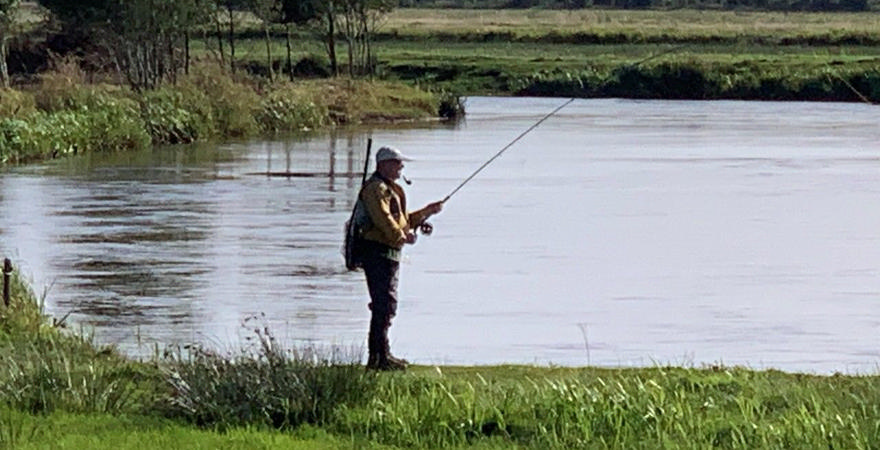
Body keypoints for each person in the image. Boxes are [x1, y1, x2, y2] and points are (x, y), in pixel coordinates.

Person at [358, 145, 444, 371]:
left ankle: (382, 355)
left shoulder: (388, 188)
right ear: (384, 165)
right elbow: (384, 219)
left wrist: (427, 211)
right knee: (384, 304)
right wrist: (401, 237)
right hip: (376, 252)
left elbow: (402, 220)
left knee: (386, 304)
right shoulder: (375, 189)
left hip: (387, 253)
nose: (401, 167)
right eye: (397, 163)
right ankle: (377, 359)